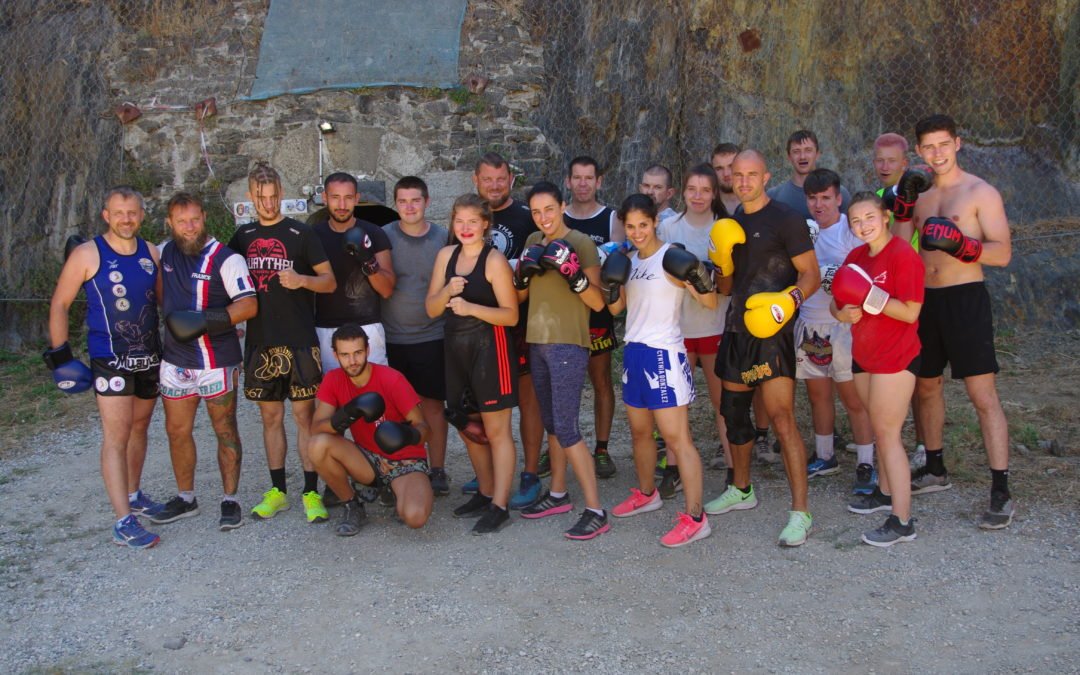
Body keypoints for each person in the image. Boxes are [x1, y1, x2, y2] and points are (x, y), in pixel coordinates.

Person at [898, 114, 1015, 529]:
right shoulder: (923, 196)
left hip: (965, 298)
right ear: (919, 152)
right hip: (925, 301)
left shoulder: (981, 192)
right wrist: (902, 205)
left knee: (982, 395)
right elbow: (896, 246)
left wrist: (965, 246)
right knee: (926, 386)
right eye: (928, 147)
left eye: (943, 144)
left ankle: (1000, 489)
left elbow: (1002, 253)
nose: (937, 153)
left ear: (958, 143)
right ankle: (934, 467)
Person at [704, 150, 821, 547]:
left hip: (772, 332)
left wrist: (789, 299)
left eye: (751, 174)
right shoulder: (730, 224)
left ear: (766, 177)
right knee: (733, 413)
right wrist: (720, 260)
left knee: (782, 417)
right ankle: (741, 489)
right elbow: (724, 289)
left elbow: (812, 274)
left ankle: (801, 512)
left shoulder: (786, 219)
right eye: (737, 175)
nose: (744, 181)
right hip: (737, 329)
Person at [46, 186, 163, 548]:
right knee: (117, 436)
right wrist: (61, 356)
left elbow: (162, 303)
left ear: (141, 215)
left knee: (141, 426)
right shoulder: (87, 253)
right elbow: (60, 304)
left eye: (132, 213)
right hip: (109, 359)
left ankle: (132, 494)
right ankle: (122, 522)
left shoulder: (152, 253)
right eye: (119, 213)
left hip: (149, 357)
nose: (126, 219)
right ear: (106, 215)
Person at [228, 162, 337, 524]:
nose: (269, 204)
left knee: (304, 417)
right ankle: (278, 492)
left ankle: (310, 492)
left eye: (274, 196)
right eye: (261, 198)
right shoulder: (241, 238)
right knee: (270, 417)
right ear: (250, 197)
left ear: (282, 193)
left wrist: (302, 279)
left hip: (300, 341)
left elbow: (329, 282)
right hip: (260, 342)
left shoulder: (301, 233)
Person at [606, 193, 715, 547]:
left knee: (676, 439)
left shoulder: (673, 258)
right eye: (631, 226)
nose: (637, 232)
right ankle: (647, 492)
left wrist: (701, 276)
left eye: (643, 225)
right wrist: (610, 286)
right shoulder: (629, 261)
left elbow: (710, 301)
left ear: (655, 222)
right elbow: (616, 310)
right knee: (640, 433)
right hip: (634, 353)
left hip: (663, 355)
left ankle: (697, 517)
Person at [152, 193, 258, 530]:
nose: (189, 227)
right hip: (175, 361)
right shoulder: (163, 252)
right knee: (177, 431)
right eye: (181, 221)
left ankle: (231, 499)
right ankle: (186, 498)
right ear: (170, 222)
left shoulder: (226, 259)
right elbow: (155, 291)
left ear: (205, 218)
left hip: (216, 360)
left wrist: (203, 322)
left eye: (194, 219)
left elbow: (248, 305)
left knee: (225, 430)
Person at [516, 181, 610, 540]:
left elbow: (599, 303)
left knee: (567, 428)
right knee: (553, 424)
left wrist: (576, 277)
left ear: (563, 206)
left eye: (549, 210)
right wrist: (522, 273)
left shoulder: (582, 243)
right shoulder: (532, 243)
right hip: (537, 341)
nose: (544, 218)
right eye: (537, 212)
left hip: (569, 343)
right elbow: (522, 295)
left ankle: (596, 510)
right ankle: (557, 493)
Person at [833, 191, 925, 546]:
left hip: (896, 357)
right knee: (878, 428)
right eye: (856, 221)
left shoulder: (903, 255)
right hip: (864, 354)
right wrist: (843, 314)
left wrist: (872, 297)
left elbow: (910, 312)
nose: (863, 226)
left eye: (869, 217)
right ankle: (885, 492)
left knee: (887, 434)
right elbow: (837, 304)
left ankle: (902, 521)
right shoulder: (856, 257)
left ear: (885, 216)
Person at [426, 194, 520, 534]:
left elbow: (511, 316)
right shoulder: (445, 256)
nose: (465, 228)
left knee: (496, 432)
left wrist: (470, 308)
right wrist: (447, 291)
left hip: (490, 349)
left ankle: (500, 504)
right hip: (456, 348)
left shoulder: (494, 261)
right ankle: (484, 490)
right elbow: (431, 309)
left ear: (485, 225)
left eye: (472, 221)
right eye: (459, 221)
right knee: (467, 426)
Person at [308, 324, 434, 535]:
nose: (352, 361)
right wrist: (346, 413)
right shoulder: (333, 379)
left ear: (367, 350)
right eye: (345, 355)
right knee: (317, 445)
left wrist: (406, 434)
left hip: (406, 461)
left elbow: (425, 428)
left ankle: (394, 491)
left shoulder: (392, 379)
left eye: (358, 353)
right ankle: (352, 505)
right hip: (367, 459)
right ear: (335, 355)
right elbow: (316, 427)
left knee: (414, 517)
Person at [470, 153, 544, 508]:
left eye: (501, 179)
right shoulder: (468, 219)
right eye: (489, 179)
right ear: (476, 180)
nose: (495, 186)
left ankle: (529, 473)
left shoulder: (528, 219)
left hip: (525, 324)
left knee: (529, 403)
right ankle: (489, 472)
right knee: (487, 405)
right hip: (481, 326)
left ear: (511, 180)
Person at [796, 170, 876, 494]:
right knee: (818, 395)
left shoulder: (849, 229)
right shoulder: (802, 232)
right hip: (810, 321)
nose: (819, 204)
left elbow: (865, 272)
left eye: (826, 197)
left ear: (838, 198)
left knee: (853, 398)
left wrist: (838, 278)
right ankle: (826, 455)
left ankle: (866, 463)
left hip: (845, 324)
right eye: (813, 198)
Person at [656, 164, 732, 494]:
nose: (698, 196)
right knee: (677, 404)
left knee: (723, 404)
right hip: (678, 328)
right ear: (683, 191)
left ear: (715, 193)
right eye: (692, 189)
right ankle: (672, 466)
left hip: (715, 326)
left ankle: (734, 468)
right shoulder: (668, 227)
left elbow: (729, 283)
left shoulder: (724, 227)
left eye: (705, 190)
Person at [381, 176, 452, 496]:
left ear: (427, 202)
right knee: (395, 410)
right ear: (395, 204)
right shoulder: (383, 238)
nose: (409, 207)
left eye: (415, 200)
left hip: (432, 335)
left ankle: (436, 468)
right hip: (392, 337)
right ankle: (404, 467)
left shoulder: (442, 238)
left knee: (433, 406)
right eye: (403, 201)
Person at [872, 132, 929, 469]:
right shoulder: (877, 199)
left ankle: (923, 444)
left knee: (920, 374)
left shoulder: (920, 194)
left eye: (891, 161)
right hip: (882, 294)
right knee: (886, 372)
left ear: (905, 164)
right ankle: (889, 440)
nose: (884, 166)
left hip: (913, 293)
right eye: (879, 160)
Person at [312, 172, 394, 371]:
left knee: (375, 394)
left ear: (357, 199)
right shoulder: (312, 236)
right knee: (335, 397)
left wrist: (368, 260)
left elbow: (387, 290)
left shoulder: (374, 233)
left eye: (348, 198)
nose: (341, 205)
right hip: (325, 329)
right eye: (335, 197)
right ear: (324, 198)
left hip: (368, 327)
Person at [767, 130, 852, 218]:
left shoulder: (838, 193)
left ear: (817, 154)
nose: (802, 156)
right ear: (789, 157)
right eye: (796, 151)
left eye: (808, 150)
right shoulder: (774, 196)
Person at [711, 142, 742, 216]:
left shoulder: (759, 205)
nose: (726, 174)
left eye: (731, 166)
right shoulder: (707, 208)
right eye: (719, 168)